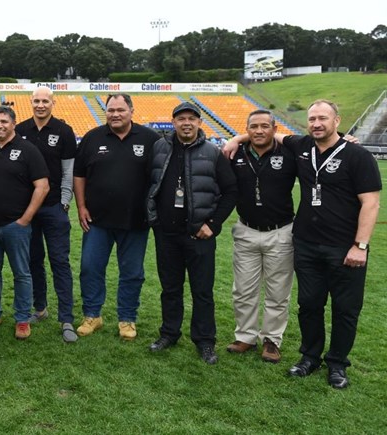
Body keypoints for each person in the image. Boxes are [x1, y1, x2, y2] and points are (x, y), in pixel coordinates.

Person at [230, 100, 381, 388]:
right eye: (312, 119)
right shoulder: (301, 147)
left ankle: (337, 363)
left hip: (345, 246)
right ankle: (310, 357)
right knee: (309, 304)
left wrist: (359, 246)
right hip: (307, 244)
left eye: (323, 118)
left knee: (345, 308)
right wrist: (238, 137)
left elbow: (371, 204)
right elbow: (269, 134)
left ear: (337, 121)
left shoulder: (358, 156)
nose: (316, 124)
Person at [146, 102, 237, 365]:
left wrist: (214, 224)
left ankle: (205, 341)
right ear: (173, 123)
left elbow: (230, 191)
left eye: (192, 119)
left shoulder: (212, 153)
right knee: (170, 288)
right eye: (181, 118)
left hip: (199, 234)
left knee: (202, 291)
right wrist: (153, 217)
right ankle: (169, 333)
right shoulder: (160, 148)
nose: (186, 123)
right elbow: (150, 183)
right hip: (167, 233)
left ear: (200, 123)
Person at [73, 94, 162, 341]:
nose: (115, 114)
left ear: (131, 111)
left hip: (135, 221)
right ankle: (92, 315)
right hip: (97, 220)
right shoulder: (92, 137)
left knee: (132, 272)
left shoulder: (150, 139)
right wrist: (81, 206)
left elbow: (161, 176)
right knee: (90, 268)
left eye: (120, 110)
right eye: (110, 110)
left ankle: (127, 319)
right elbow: (79, 175)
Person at [0, 105, 49, 340]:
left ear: (13, 124)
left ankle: (22, 318)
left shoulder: (28, 150)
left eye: (4, 122)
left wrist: (25, 219)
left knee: (21, 273)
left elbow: (42, 186)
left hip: (17, 226)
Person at [224, 110, 297, 363]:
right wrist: (236, 140)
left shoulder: (289, 153)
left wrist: (348, 140)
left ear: (274, 129)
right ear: (247, 129)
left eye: (264, 126)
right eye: (253, 126)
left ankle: (272, 340)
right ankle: (245, 336)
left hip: (281, 231)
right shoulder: (235, 153)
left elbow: (315, 145)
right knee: (243, 290)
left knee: (278, 292)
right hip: (246, 231)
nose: (258, 131)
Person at [15, 86, 77, 343]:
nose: (40, 105)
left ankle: (67, 318)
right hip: (28, 209)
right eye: (36, 101)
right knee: (33, 261)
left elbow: (68, 172)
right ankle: (39, 308)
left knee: (59, 262)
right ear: (31, 102)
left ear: (53, 103)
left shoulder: (64, 131)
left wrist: (63, 204)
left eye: (45, 101)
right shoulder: (20, 129)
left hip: (53, 208)